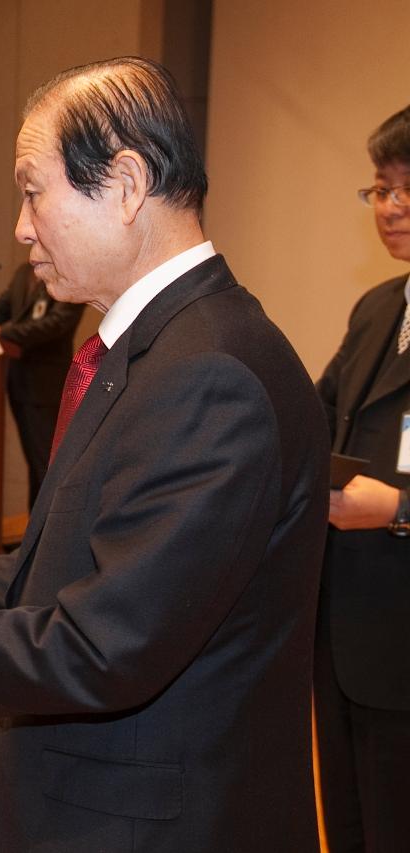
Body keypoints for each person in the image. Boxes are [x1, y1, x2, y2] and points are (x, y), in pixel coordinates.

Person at [0, 57, 329, 852]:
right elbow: (89, 551)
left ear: (122, 185)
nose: (20, 226)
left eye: (31, 188)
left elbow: (105, 642)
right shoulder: (157, 348)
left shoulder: (208, 373)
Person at [314, 103, 410, 852]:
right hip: (346, 636)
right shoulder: (377, 307)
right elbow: (314, 419)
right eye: (380, 187)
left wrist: (403, 509)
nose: (392, 206)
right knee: (350, 827)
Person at [0, 264, 84, 506]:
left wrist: (3, 332)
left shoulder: (70, 270)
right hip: (19, 382)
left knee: (46, 466)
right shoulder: (22, 273)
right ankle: (34, 535)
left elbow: (56, 324)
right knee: (34, 463)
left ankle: (45, 538)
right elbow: (2, 307)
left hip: (45, 386)